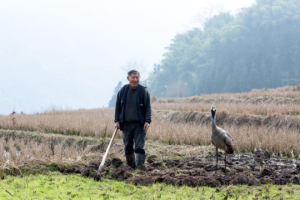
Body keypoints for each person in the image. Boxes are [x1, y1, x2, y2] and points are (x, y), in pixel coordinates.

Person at [114, 70, 151, 169]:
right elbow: (118, 107)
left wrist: (147, 121)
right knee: (128, 147)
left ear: (139, 78)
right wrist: (117, 121)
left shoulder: (143, 91)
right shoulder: (122, 91)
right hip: (126, 124)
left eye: (137, 77)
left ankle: (139, 169)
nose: (135, 80)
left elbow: (148, 108)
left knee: (139, 147)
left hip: (140, 124)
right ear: (128, 78)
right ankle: (130, 168)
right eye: (133, 77)